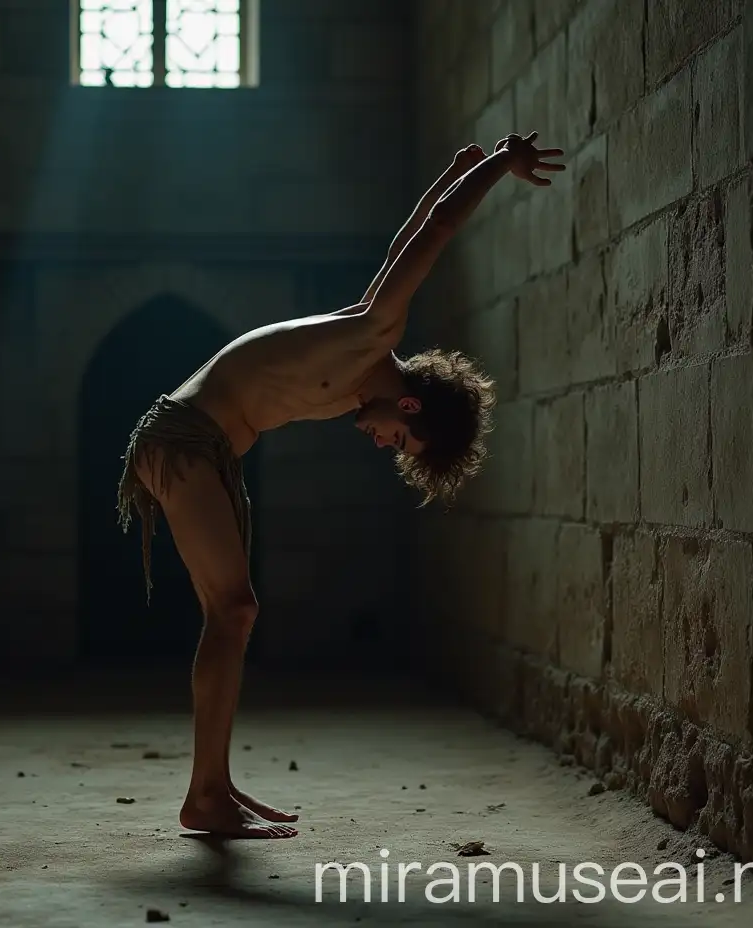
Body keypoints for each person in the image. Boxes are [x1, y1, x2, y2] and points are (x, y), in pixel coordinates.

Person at [116, 132, 566, 838]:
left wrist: (453, 169)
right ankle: (205, 795)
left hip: (205, 456)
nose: (383, 442)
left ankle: (212, 788)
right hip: (182, 441)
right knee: (234, 612)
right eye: (400, 439)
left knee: (229, 615)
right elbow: (436, 235)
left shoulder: (360, 352)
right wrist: (500, 170)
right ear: (409, 405)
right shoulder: (371, 330)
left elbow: (403, 240)